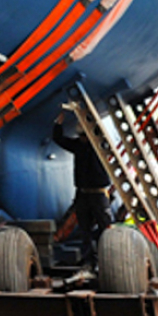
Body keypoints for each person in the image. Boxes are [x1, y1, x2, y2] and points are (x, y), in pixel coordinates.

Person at [53, 113, 113, 265]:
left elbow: (103, 138)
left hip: (98, 193)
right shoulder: (78, 146)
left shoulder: (99, 146)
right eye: (80, 136)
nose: (82, 138)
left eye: (84, 136)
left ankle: (107, 258)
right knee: (84, 229)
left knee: (105, 227)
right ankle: (89, 261)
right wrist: (58, 124)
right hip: (83, 193)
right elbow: (59, 139)